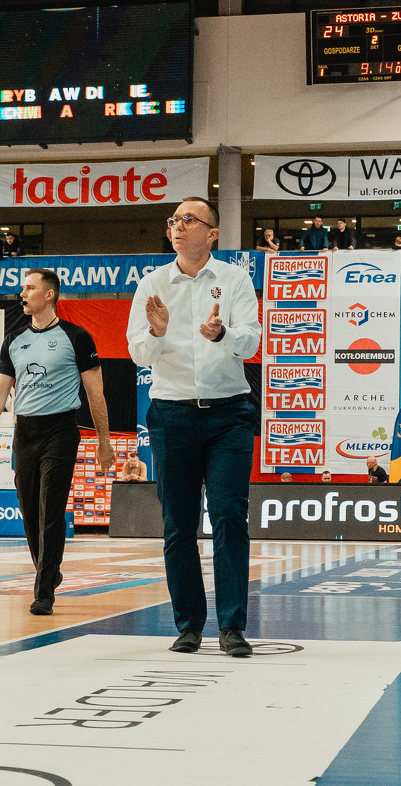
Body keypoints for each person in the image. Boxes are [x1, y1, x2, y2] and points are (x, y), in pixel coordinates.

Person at [126, 198, 261, 658]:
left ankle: (232, 627)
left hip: (229, 414)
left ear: (212, 233)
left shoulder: (234, 279)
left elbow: (252, 341)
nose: (177, 227)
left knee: (229, 518)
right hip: (172, 414)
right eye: (173, 221)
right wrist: (158, 332)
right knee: (178, 524)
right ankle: (188, 625)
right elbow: (138, 353)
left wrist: (223, 334)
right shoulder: (152, 284)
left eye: (188, 220)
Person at [0, 268, 111, 615]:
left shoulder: (77, 337)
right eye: (22, 288)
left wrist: (104, 441)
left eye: (29, 288)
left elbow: (95, 393)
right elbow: (0, 388)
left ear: (49, 295)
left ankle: (43, 593)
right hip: (25, 432)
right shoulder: (14, 338)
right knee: (30, 509)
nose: (22, 294)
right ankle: (49, 571)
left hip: (60, 430)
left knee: (51, 508)